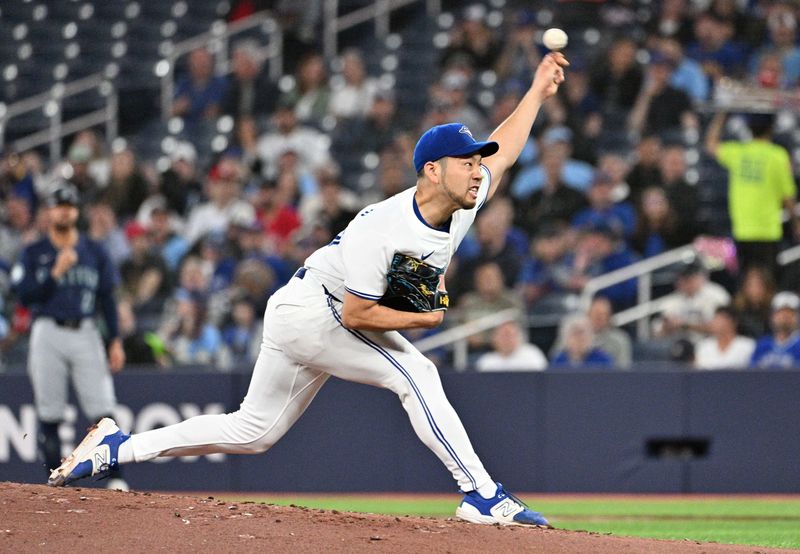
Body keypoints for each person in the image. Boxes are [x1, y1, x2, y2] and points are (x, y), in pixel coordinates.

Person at [49, 53, 571, 527]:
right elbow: (358, 314)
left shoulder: (462, 202)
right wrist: (422, 319)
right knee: (417, 374)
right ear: (432, 171)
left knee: (254, 431)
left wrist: (536, 92)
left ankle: (120, 447)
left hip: (305, 309)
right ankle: (480, 493)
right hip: (319, 310)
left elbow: (505, 151)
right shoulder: (381, 226)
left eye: (478, 163)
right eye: (467, 162)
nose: (479, 172)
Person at [10, 185, 126, 487]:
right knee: (49, 410)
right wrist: (55, 274)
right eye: (58, 204)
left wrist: (114, 339)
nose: (64, 210)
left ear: (76, 212)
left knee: (104, 410)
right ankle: (55, 477)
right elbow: (24, 297)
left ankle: (115, 478)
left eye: (69, 205)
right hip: (47, 330)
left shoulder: (94, 250)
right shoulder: (35, 252)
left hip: (86, 330)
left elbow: (107, 299)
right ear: (49, 211)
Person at [705, 111, 799, 276]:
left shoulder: (739, 153)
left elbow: (710, 144)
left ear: (749, 128)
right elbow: (788, 196)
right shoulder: (777, 156)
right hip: (768, 230)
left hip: (743, 230)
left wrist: (721, 114)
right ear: (771, 128)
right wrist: (796, 224)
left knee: (745, 281)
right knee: (768, 281)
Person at [655, 261, 730, 342]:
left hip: (711, 344)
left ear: (701, 277)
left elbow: (719, 328)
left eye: (690, 277)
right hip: (679, 347)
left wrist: (684, 325)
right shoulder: (671, 300)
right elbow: (657, 334)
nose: (686, 282)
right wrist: (668, 326)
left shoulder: (716, 294)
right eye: (682, 278)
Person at [750, 291, 800, 369]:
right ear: (772, 316)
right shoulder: (763, 344)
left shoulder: (798, 344)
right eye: (780, 313)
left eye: (790, 313)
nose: (785, 317)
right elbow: (751, 373)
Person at [475, 320, 547, 372]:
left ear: (519, 337)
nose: (507, 340)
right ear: (494, 339)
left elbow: (540, 381)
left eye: (510, 335)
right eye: (503, 336)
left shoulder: (532, 355)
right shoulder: (486, 361)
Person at [549, 314, 615, 370]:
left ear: (591, 336)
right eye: (575, 333)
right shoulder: (559, 360)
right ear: (565, 338)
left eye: (582, 333)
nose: (579, 339)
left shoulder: (603, 360)